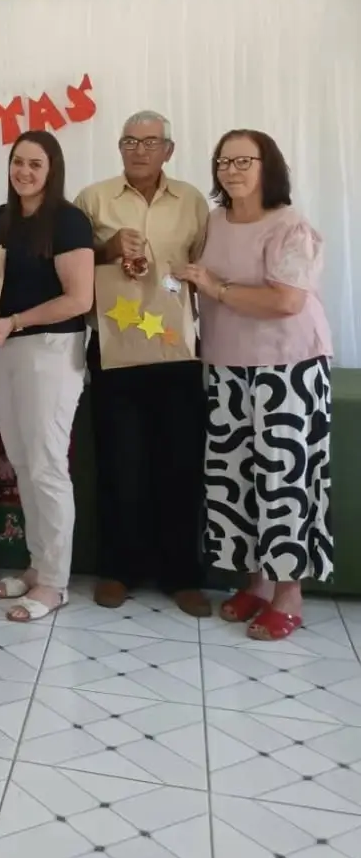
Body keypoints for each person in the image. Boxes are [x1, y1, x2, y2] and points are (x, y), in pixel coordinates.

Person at [176, 130, 333, 641]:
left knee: (282, 482)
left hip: (287, 369)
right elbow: (188, 275)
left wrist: (216, 288)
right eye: (223, 161)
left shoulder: (291, 226)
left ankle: (289, 592)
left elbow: (286, 302)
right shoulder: (214, 221)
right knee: (236, 480)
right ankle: (256, 583)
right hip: (225, 366)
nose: (232, 169)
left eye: (244, 160)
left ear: (269, 167)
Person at [76, 111, 211, 617]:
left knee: (179, 464)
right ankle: (118, 570)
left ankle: (182, 575)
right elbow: (67, 263)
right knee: (119, 463)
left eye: (150, 142)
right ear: (119, 146)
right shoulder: (93, 198)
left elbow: (206, 269)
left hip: (177, 349)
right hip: (114, 348)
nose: (139, 149)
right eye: (130, 141)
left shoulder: (194, 201)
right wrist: (108, 249)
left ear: (169, 151)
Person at [0, 131, 94, 622]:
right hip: (4, 349)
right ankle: (37, 564)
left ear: (53, 170)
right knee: (23, 462)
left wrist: (18, 320)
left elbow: (79, 299)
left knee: (47, 464)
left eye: (35, 164)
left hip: (49, 350)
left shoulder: (69, 221)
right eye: (17, 162)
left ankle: (55, 582)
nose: (23, 171)